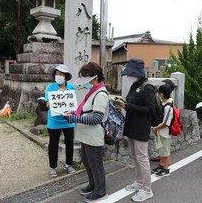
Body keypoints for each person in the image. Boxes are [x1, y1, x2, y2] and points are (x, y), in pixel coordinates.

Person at [65, 62, 109, 202]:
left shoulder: (100, 94)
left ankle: (101, 191)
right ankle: (92, 185)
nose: (84, 83)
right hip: (86, 136)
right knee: (87, 162)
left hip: (93, 136)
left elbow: (96, 118)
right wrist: (74, 113)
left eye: (86, 79)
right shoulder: (92, 92)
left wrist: (74, 118)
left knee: (95, 164)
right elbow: (85, 111)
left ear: (95, 78)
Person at [117, 58, 155, 202]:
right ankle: (139, 182)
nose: (128, 76)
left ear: (136, 72)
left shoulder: (147, 87)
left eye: (129, 73)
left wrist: (128, 106)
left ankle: (147, 189)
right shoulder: (135, 85)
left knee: (142, 158)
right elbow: (133, 103)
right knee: (135, 156)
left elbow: (151, 110)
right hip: (132, 126)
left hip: (141, 128)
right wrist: (124, 104)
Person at [45, 64, 76, 178]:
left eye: (61, 74)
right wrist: (57, 95)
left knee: (69, 143)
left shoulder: (71, 88)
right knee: (53, 144)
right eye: (57, 74)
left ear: (66, 76)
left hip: (68, 120)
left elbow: (73, 104)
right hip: (54, 121)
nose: (58, 76)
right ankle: (52, 167)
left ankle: (69, 164)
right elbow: (47, 103)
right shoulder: (51, 88)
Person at [151, 84, 173, 177]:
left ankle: (166, 169)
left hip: (165, 132)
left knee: (166, 151)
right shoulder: (163, 104)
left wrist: (156, 128)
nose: (157, 95)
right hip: (160, 131)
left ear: (162, 94)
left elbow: (166, 123)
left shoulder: (168, 107)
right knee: (161, 150)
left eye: (159, 93)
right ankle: (161, 165)